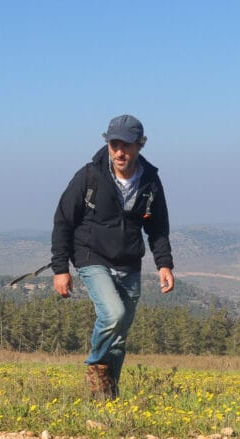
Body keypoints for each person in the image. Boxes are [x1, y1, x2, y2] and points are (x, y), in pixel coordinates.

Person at [50, 114, 175, 399]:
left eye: (127, 145)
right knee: (114, 314)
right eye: (114, 144)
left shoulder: (151, 182)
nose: (120, 151)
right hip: (91, 257)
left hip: (129, 262)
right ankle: (94, 365)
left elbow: (157, 226)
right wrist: (61, 269)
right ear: (107, 143)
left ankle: (107, 398)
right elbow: (63, 221)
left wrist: (164, 264)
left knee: (119, 336)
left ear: (140, 145)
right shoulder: (89, 176)